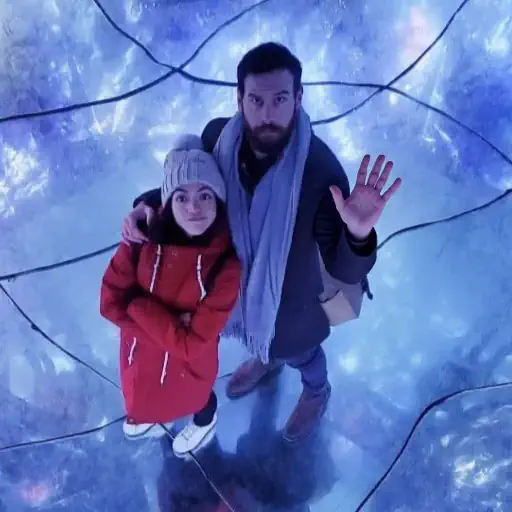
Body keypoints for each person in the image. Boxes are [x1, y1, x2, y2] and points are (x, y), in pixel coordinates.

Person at [122, 42, 402, 443]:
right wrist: (146, 206)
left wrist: (357, 232)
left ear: (298, 98)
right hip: (234, 290)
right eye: (256, 100)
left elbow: (343, 267)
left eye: (280, 99)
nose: (267, 114)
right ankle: (265, 359)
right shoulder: (218, 138)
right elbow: (190, 188)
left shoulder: (320, 173)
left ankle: (316, 391)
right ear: (239, 99)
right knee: (258, 340)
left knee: (300, 354)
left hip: (293, 306)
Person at [100, 134, 241, 456]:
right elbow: (108, 304)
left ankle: (205, 421)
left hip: (186, 367)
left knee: (197, 397)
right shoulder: (143, 240)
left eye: (205, 195)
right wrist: (175, 326)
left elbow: (192, 346)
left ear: (218, 200)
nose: (193, 208)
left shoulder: (224, 266)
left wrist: (138, 307)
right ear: (168, 203)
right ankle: (153, 413)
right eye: (181, 197)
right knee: (146, 394)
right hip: (143, 360)